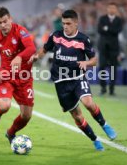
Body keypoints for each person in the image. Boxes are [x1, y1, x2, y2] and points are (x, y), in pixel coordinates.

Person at [29, 10, 117, 151]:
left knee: (88, 103)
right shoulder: (56, 36)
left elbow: (94, 60)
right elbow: (44, 50)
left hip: (77, 78)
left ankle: (104, 124)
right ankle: (94, 139)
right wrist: (35, 56)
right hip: (60, 82)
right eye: (63, 23)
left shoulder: (83, 40)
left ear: (76, 23)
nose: (65, 26)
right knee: (77, 116)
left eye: (68, 23)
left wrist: (86, 63)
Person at [0, 7, 36, 143]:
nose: (3, 25)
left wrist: (19, 57)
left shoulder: (20, 31)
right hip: (6, 76)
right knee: (4, 106)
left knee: (26, 116)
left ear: (10, 19)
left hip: (24, 77)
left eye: (5, 21)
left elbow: (31, 48)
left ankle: (11, 132)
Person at [97, 3, 123, 96]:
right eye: (110, 8)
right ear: (107, 9)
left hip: (114, 48)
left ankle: (112, 89)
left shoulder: (119, 20)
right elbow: (99, 30)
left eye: (113, 8)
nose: (112, 10)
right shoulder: (102, 18)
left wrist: (107, 29)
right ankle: (103, 88)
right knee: (102, 67)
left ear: (116, 10)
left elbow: (118, 30)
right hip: (103, 47)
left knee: (113, 68)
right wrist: (111, 29)